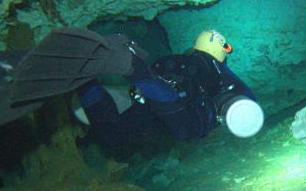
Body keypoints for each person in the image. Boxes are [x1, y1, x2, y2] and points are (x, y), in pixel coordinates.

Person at [73, 29, 263, 150]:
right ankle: (123, 68)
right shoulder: (215, 67)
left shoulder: (176, 61)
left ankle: (85, 81)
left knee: (113, 132)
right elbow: (247, 98)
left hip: (150, 107)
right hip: (176, 113)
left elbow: (157, 76)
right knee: (187, 129)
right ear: (220, 49)